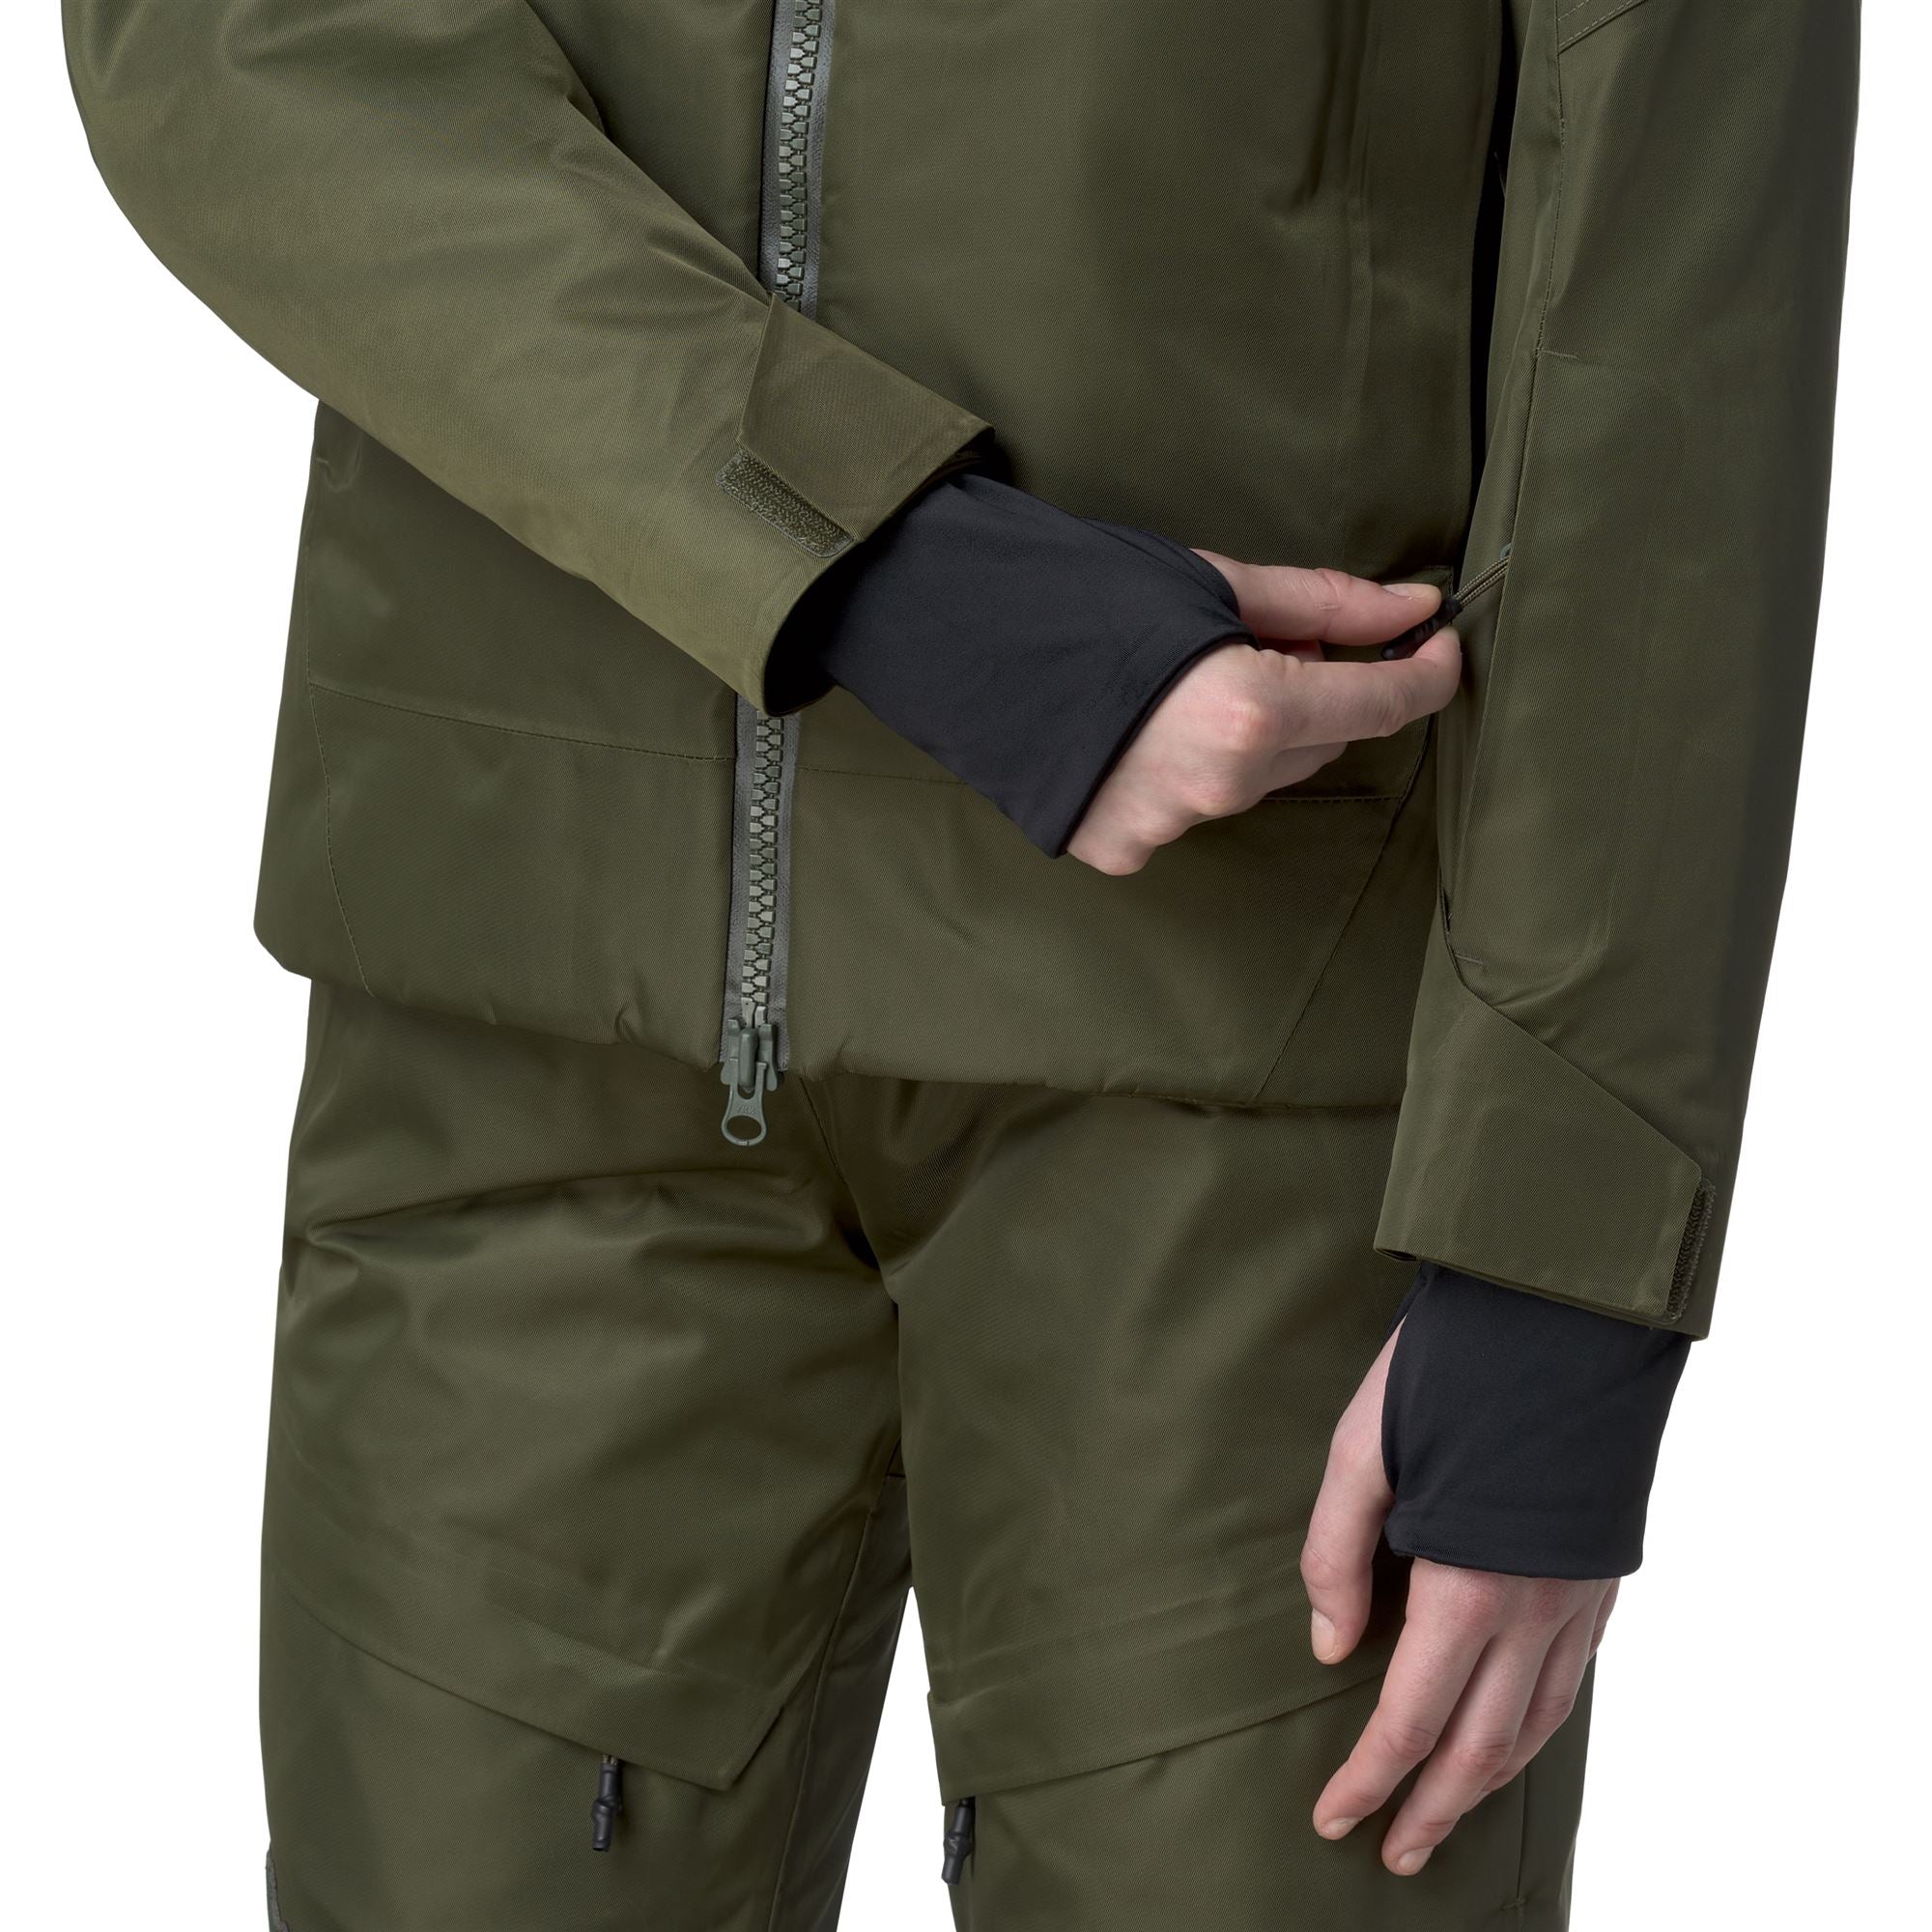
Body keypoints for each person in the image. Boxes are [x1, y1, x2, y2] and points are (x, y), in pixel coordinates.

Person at [66, 1, 1858, 1926]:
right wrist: (894, 572)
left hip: (1248, 1049)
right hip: (527, 1007)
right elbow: (230, 34)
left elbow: (1668, 310)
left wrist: (1563, 1260)